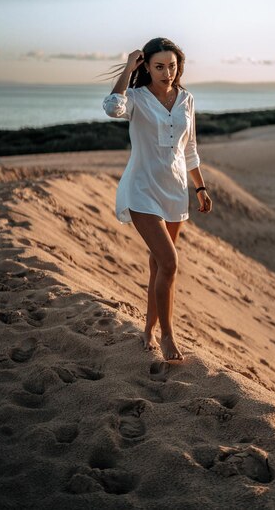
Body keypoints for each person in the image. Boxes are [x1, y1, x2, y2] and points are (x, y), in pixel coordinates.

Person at [102, 37, 212, 362]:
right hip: (142, 189)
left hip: (176, 191)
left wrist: (201, 188)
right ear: (146, 67)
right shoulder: (134, 98)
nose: (167, 73)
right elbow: (111, 107)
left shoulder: (187, 99)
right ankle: (168, 336)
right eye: (159, 66)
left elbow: (189, 148)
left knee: (158, 266)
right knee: (170, 262)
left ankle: (148, 330)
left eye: (172, 66)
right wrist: (127, 68)